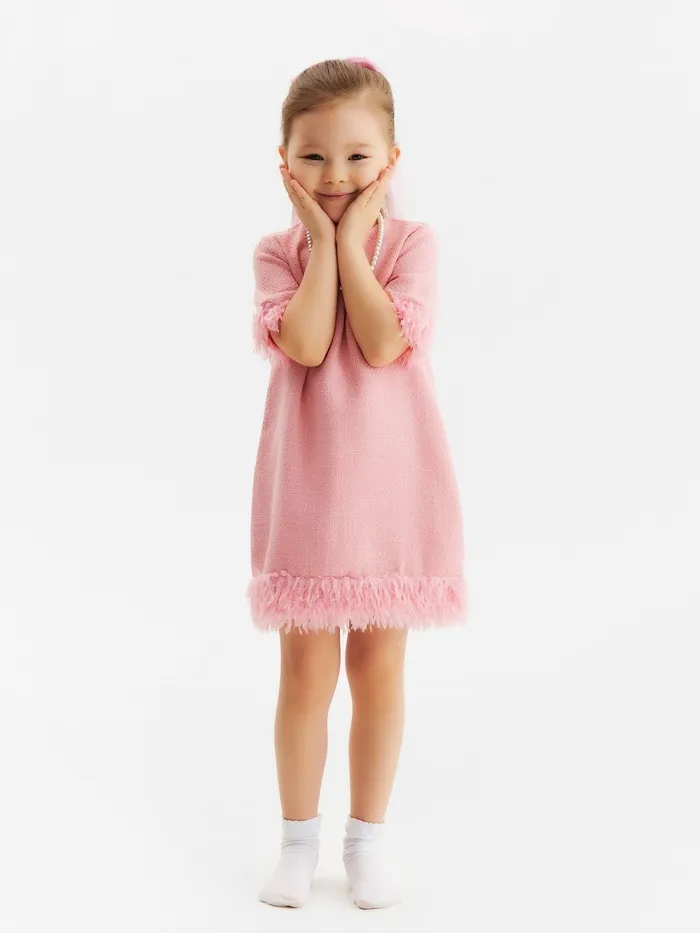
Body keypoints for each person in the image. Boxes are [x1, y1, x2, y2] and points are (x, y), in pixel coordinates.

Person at [248, 57, 468, 910]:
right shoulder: (276, 253)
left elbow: (381, 343)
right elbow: (306, 343)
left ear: (390, 161)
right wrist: (320, 244)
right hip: (308, 486)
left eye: (355, 156)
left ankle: (366, 841)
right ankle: (297, 843)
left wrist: (351, 244)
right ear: (285, 162)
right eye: (313, 157)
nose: (335, 175)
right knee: (305, 673)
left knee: (379, 668)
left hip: (393, 486)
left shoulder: (412, 246)